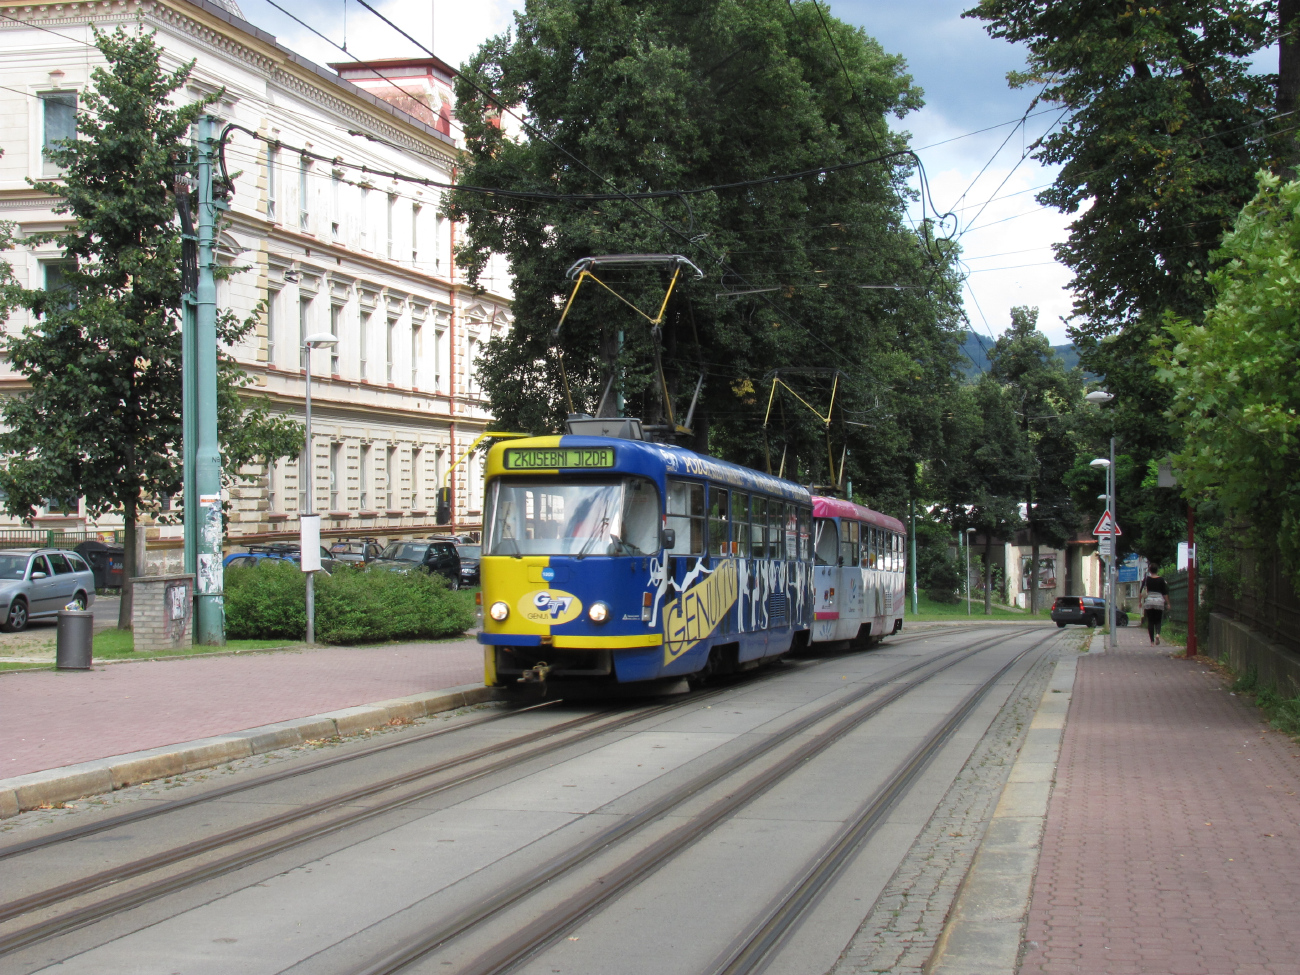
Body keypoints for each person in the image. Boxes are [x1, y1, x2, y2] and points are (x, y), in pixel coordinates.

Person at [1139, 568, 1170, 646]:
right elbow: (1165, 593)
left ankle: (1152, 642)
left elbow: (1141, 591)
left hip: (1149, 601)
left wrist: (1140, 602)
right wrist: (1168, 603)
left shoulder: (1147, 579)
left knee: (1151, 621)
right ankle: (1158, 634)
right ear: (1157, 570)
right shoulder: (1161, 580)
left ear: (1150, 571)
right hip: (1159, 602)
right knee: (1158, 620)